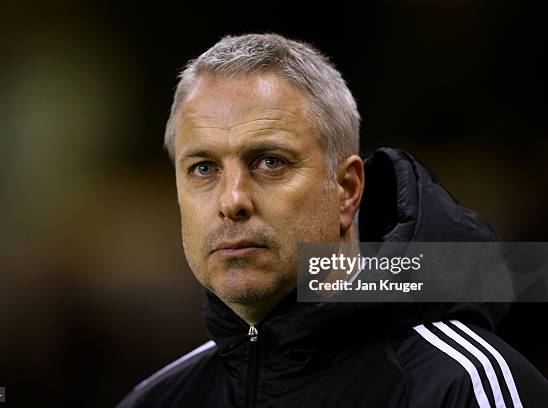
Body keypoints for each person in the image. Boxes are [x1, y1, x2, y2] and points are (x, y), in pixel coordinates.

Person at [118, 33, 548, 407]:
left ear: (347, 190)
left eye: (270, 162)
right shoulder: (157, 399)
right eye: (204, 169)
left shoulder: (464, 387)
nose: (232, 200)